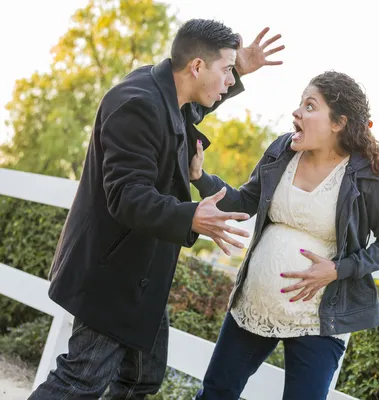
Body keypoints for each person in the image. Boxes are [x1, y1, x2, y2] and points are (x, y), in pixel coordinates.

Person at [29, 19, 284, 399]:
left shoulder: (170, 95)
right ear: (197, 67)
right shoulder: (137, 104)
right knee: (79, 382)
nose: (230, 81)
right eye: (226, 71)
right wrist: (192, 216)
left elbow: (193, 111)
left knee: (141, 378)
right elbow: (128, 196)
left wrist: (240, 67)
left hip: (140, 272)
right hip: (111, 273)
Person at [190, 70, 379, 400]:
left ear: (338, 123)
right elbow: (245, 201)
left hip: (318, 321)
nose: (296, 113)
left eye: (309, 106)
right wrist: (200, 177)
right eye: (299, 104)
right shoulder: (283, 150)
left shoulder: (365, 175)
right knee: (215, 393)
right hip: (255, 306)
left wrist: (337, 269)